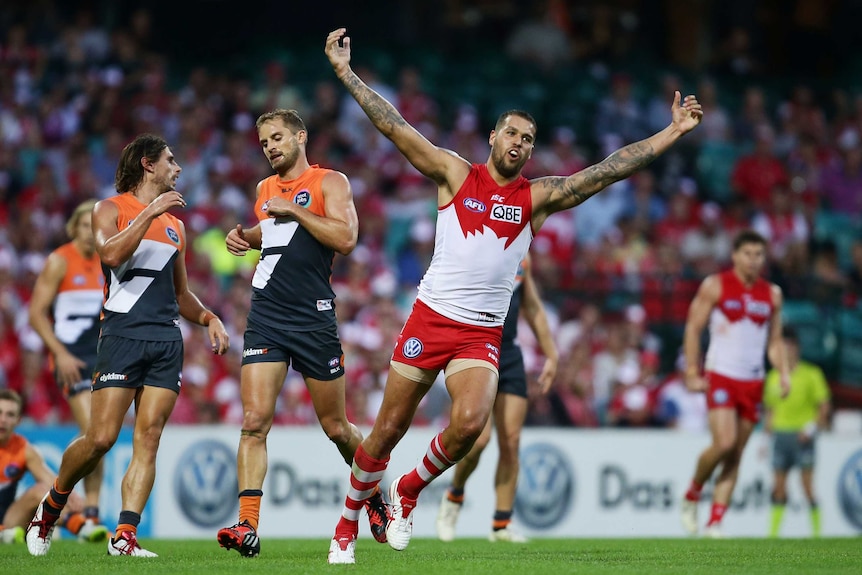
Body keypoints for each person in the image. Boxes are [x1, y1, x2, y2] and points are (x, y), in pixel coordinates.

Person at [324, 27, 703, 564]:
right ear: (494, 139)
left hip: (481, 332)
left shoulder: (537, 198)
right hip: (431, 318)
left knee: (471, 424)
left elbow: (608, 170)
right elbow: (395, 127)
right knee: (386, 428)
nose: (520, 143)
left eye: (528, 138)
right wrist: (346, 74)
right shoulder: (455, 173)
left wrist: (672, 133)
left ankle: (407, 491)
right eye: (512, 134)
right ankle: (345, 527)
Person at [25, 133, 230, 558]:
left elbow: (181, 293)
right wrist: (151, 210)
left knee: (149, 436)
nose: (178, 167)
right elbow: (112, 255)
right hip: (121, 335)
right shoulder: (110, 208)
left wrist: (209, 316)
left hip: (165, 339)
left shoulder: (177, 227)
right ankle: (52, 506)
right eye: (171, 160)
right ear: (147, 164)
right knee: (100, 438)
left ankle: (125, 536)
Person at [216, 108, 388, 558]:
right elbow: (277, 236)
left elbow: (346, 239)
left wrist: (293, 207)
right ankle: (247, 526)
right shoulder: (264, 190)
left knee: (336, 427)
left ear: (300, 137)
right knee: (253, 423)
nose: (270, 147)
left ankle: (373, 493)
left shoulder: (331, 182)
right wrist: (246, 238)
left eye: (276, 138)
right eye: (264, 143)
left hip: (313, 318)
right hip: (267, 314)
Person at [435, 255, 557, 543]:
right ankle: (454, 496)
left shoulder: (522, 257)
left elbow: (533, 307)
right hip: (476, 348)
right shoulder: (476, 246)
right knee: (478, 440)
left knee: (511, 441)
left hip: (510, 353)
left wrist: (551, 353)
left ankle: (502, 524)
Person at [680, 229, 790, 537]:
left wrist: (783, 373)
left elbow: (775, 341)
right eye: (748, 254)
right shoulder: (716, 285)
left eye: (759, 255)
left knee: (736, 453)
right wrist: (691, 370)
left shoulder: (772, 294)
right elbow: (693, 327)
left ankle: (716, 521)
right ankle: (692, 494)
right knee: (724, 443)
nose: (754, 261)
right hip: (722, 374)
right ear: (735, 255)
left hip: (753, 379)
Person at [27, 199, 109, 543]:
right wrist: (58, 353)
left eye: (96, 226)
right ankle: (65, 504)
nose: (91, 234)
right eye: (85, 226)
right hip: (71, 357)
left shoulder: (107, 259)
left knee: (100, 436)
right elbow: (35, 313)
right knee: (94, 430)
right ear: (73, 228)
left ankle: (90, 511)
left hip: (101, 354)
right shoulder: (60, 261)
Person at [764, 326, 830, 538]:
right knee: (778, 487)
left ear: (797, 348)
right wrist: (765, 438)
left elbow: (824, 406)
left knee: (807, 486)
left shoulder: (811, 374)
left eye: (789, 346)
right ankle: (773, 535)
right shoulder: (773, 377)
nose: (786, 351)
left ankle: (817, 534)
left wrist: (810, 429)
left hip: (802, 436)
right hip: (781, 436)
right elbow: (770, 410)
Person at [0, 389, 82, 544]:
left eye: (10, 415)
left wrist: (71, 496)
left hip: (9, 520)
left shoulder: (23, 448)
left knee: (42, 490)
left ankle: (82, 527)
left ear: (18, 420)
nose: (3, 420)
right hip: (10, 530)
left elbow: (49, 480)